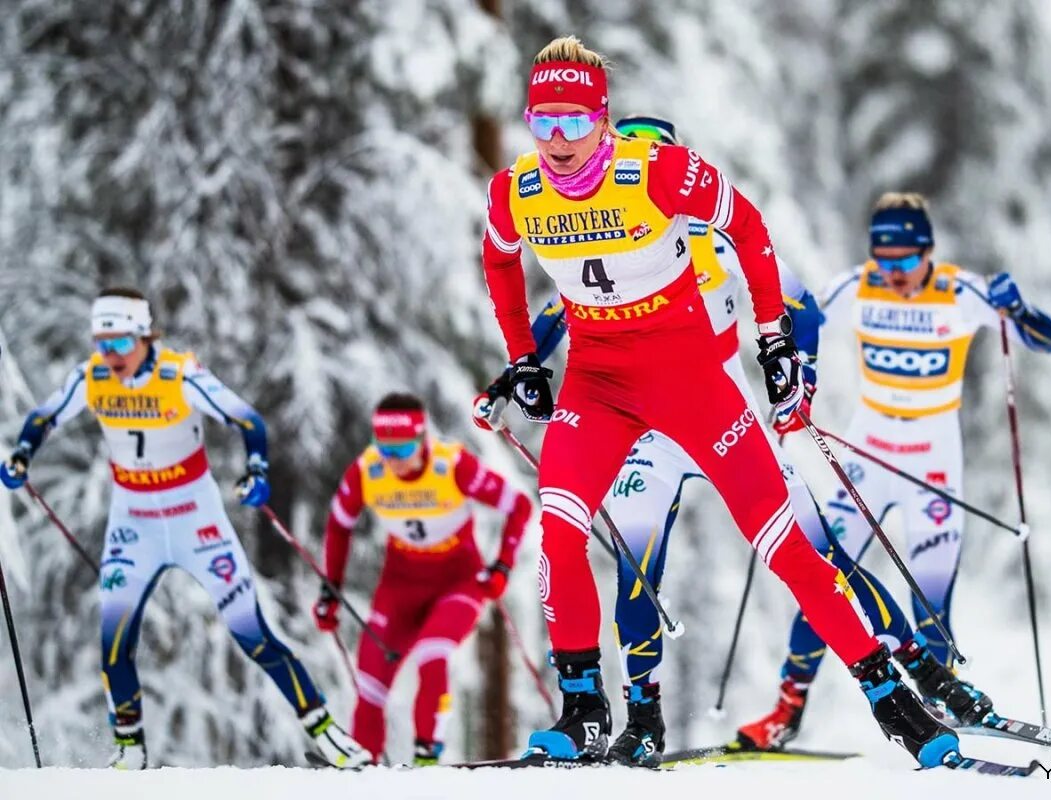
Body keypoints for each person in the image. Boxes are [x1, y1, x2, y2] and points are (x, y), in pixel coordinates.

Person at [474, 35, 955, 768]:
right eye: (546, 123)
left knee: (787, 548)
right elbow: (499, 257)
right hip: (599, 389)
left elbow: (751, 229)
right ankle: (582, 709)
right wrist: (520, 358)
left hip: (693, 385)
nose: (561, 141)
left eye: (576, 122)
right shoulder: (518, 190)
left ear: (604, 119)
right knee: (560, 533)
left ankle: (891, 698)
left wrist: (775, 345)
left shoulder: (657, 171)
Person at [737, 192, 1051, 746]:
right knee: (826, 578)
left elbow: (1046, 340)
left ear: (928, 251)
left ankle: (942, 699)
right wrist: (789, 371)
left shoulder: (960, 292)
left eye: (905, 261)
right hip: (866, 456)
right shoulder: (859, 285)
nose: (893, 274)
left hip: (934, 465)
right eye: (883, 260)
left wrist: (1020, 309)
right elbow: (801, 314)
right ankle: (786, 708)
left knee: (930, 597)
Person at [0, 288, 370, 770]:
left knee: (253, 634)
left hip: (195, 517)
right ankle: (130, 749)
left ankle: (327, 733)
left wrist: (257, 469)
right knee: (113, 636)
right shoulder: (91, 377)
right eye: (101, 343)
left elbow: (247, 420)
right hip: (134, 522)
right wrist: (23, 454)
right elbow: (44, 417)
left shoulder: (180, 375)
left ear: (142, 335)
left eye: (118, 343)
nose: (109, 355)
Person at [313, 392, 533, 766]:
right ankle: (363, 764)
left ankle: (426, 757)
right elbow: (338, 524)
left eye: (402, 450)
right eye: (385, 449)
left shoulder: (452, 465)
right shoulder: (368, 470)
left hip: (458, 579)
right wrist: (329, 590)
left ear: (422, 440)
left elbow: (519, 505)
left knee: (433, 653)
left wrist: (502, 567)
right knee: (370, 678)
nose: (393, 461)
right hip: (400, 583)